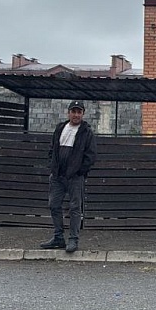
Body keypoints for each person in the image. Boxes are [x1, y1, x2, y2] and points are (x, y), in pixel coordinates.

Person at [41, 100, 97, 253]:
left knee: (74, 208)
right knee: (54, 205)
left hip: (75, 177)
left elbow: (91, 155)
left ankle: (73, 239)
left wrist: (80, 171)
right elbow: (53, 149)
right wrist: (53, 166)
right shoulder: (60, 128)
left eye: (79, 112)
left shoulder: (86, 132)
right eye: (74, 111)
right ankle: (58, 237)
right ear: (68, 113)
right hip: (58, 175)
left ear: (83, 114)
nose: (76, 115)